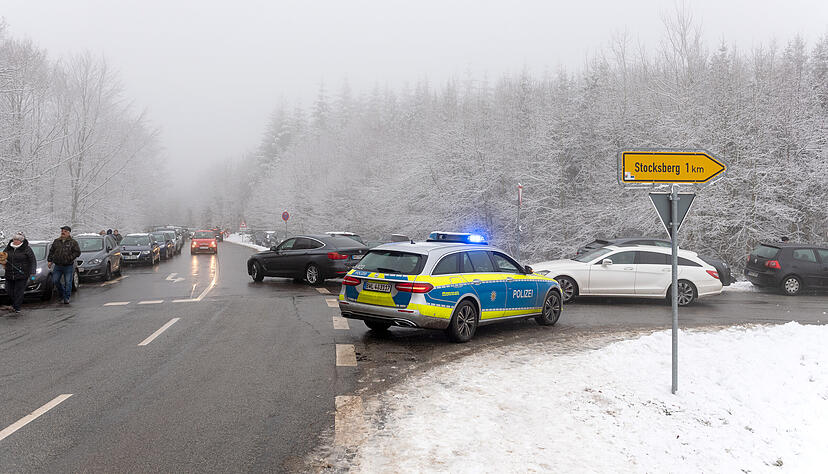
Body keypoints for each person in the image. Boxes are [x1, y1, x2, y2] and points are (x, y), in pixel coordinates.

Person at [3, 232, 37, 314]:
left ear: (21, 241)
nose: (15, 241)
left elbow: (32, 261)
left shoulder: (27, 249)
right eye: (14, 239)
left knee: (19, 291)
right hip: (9, 273)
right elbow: (3, 256)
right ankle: (15, 304)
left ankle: (17, 307)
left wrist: (32, 273)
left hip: (22, 274)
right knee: (8, 290)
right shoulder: (8, 248)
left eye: (17, 240)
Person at [48, 225, 81, 304]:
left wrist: (70, 257)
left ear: (69, 233)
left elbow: (77, 252)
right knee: (55, 280)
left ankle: (66, 297)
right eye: (62, 231)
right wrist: (49, 261)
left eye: (65, 231)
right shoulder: (56, 241)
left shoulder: (73, 242)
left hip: (68, 266)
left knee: (68, 282)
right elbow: (51, 251)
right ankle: (62, 294)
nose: (63, 232)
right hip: (58, 265)